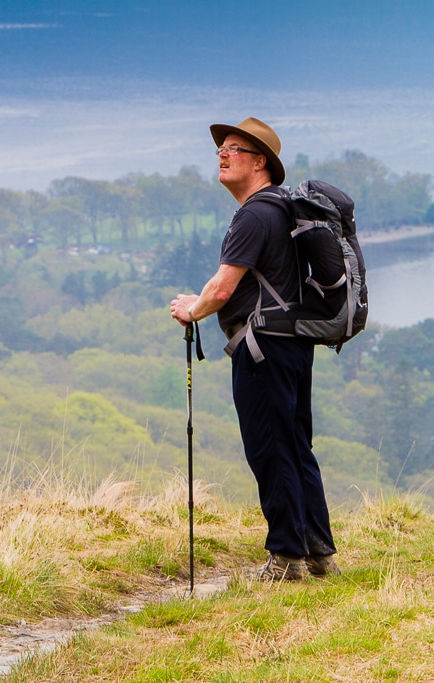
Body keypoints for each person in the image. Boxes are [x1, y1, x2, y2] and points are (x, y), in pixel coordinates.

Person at [169, 117, 339, 581]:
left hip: (261, 346)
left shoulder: (254, 214)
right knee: (295, 444)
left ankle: (286, 559)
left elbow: (223, 289)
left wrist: (192, 310)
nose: (223, 155)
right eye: (221, 149)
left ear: (260, 161)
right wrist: (201, 301)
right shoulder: (280, 209)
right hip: (291, 343)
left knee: (270, 448)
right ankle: (317, 552)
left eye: (234, 149)